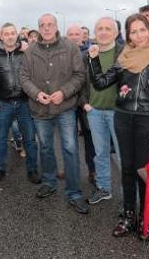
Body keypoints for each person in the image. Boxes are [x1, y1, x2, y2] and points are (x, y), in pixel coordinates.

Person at [88, 13, 149, 240]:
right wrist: (94, 60)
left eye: (142, 29)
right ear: (128, 35)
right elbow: (101, 82)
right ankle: (127, 215)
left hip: (147, 120)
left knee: (142, 172)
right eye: (133, 31)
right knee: (126, 169)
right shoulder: (124, 55)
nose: (138, 35)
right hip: (123, 117)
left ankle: (145, 219)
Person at [20, 13, 89, 214]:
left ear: (56, 26)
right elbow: (24, 77)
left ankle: (74, 192)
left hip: (65, 107)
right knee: (46, 147)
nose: (47, 28)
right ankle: (49, 182)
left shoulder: (70, 47)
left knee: (70, 148)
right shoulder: (30, 50)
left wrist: (63, 92)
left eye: (50, 24)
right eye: (43, 25)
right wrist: (36, 93)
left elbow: (79, 75)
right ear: (39, 28)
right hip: (40, 109)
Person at [0, 22, 40, 184]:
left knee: (30, 139)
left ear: (16, 34)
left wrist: (30, 51)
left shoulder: (25, 51)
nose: (10, 36)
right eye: (6, 34)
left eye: (12, 33)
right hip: (3, 102)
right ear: (1, 36)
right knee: (1, 138)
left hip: (25, 101)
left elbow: (36, 72)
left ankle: (32, 169)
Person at [80, 17, 123, 205]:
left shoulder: (123, 53)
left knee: (123, 156)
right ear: (94, 33)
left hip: (119, 113)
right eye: (100, 29)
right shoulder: (87, 55)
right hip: (95, 112)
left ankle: (128, 196)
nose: (103, 32)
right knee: (100, 153)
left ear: (115, 33)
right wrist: (84, 103)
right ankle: (104, 187)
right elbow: (80, 82)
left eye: (108, 28)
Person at [67, 24, 96, 184]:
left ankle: (93, 170)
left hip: (86, 102)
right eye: (70, 34)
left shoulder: (91, 52)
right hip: (67, 102)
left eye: (77, 34)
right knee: (68, 140)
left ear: (83, 36)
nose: (74, 36)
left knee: (90, 138)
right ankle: (71, 169)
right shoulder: (61, 53)